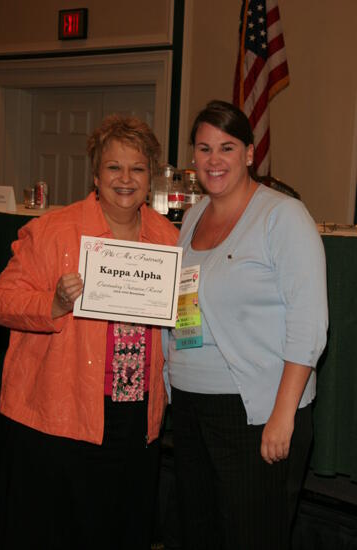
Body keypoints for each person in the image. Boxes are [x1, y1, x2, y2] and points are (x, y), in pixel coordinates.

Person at [0, 114, 178, 550]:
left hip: (135, 417)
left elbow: (177, 323)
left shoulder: (167, 238)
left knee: (121, 527)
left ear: (151, 176)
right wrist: (53, 304)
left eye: (137, 168)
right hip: (59, 416)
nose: (126, 179)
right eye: (114, 167)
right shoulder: (54, 231)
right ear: (96, 174)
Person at [165, 100, 328, 550]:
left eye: (227, 147)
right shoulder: (194, 215)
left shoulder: (282, 216)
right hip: (192, 406)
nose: (214, 160)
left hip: (254, 411)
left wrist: (282, 414)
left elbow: (309, 324)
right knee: (200, 533)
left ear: (251, 154)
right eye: (203, 148)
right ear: (193, 158)